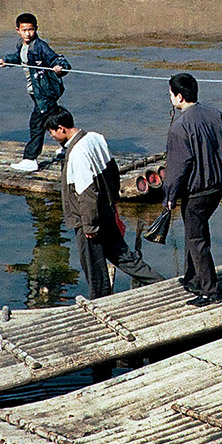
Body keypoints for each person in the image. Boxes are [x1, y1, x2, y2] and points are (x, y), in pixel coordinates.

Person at [45, 106, 163, 299]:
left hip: (89, 219)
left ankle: (100, 302)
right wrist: (113, 202)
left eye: (52, 132)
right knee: (123, 256)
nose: (52, 136)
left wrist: (89, 226)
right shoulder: (95, 138)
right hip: (106, 210)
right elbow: (113, 172)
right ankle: (158, 282)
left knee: (94, 266)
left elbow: (86, 193)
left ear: (61, 128)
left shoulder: (77, 153)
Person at [162, 72, 222, 306]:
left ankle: (210, 290)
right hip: (216, 188)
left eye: (171, 94)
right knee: (195, 232)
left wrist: (169, 195)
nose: (170, 98)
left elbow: (177, 167)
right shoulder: (217, 115)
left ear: (180, 96)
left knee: (197, 239)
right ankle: (192, 277)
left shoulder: (180, 126)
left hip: (196, 192)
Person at [0, 12, 71, 172]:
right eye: (24, 30)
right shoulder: (22, 45)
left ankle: (30, 159)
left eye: (31, 30)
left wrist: (59, 67)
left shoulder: (40, 46)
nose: (28, 33)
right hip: (36, 93)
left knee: (37, 124)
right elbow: (18, 57)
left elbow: (55, 59)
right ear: (17, 30)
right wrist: (6, 61)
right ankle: (68, 146)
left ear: (36, 29)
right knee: (54, 119)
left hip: (45, 92)